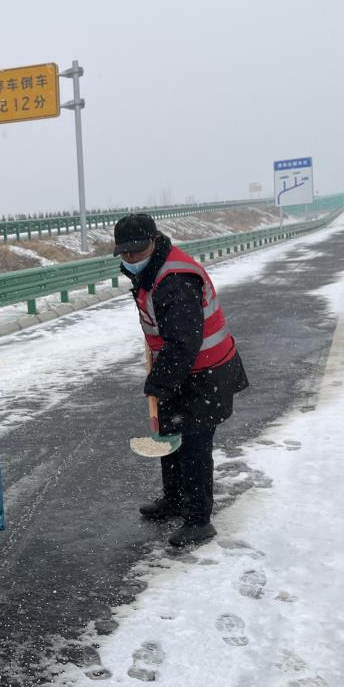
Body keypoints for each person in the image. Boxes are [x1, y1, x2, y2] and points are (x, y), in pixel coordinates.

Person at [115, 212, 249, 548]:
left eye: (137, 250)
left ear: (154, 241)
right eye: (125, 252)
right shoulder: (150, 270)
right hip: (184, 369)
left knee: (194, 446)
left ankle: (198, 520)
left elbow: (184, 342)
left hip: (207, 372)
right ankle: (174, 500)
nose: (131, 257)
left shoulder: (174, 279)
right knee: (169, 435)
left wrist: (158, 384)